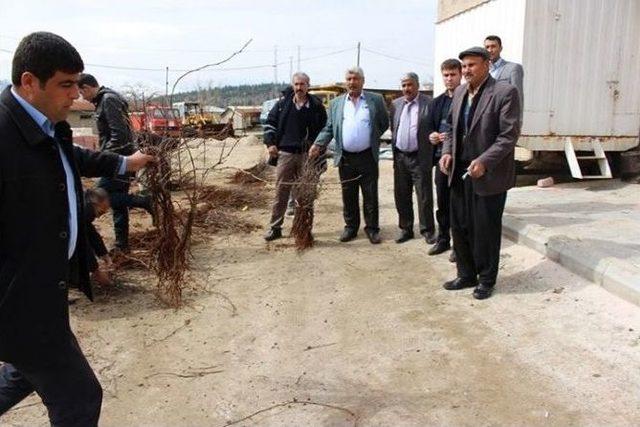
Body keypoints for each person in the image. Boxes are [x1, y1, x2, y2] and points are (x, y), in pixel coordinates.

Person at [0, 31, 155, 425]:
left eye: (76, 83)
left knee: (25, 371)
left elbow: (71, 157)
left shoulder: (45, 124)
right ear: (29, 82)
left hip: (44, 290)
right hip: (20, 299)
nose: (76, 95)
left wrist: (123, 165)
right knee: (80, 397)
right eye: (65, 85)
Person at [439, 46, 521, 300]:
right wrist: (447, 151)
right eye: (463, 66)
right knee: (460, 225)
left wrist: (485, 160)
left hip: (488, 172)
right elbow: (451, 127)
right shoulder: (461, 91)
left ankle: (486, 279)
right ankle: (466, 274)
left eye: (471, 65)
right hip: (459, 171)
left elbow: (508, 136)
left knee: (484, 228)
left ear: (486, 64)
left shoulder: (505, 92)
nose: (466, 71)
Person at [310, 67, 389, 244]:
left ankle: (372, 229)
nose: (352, 82)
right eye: (349, 79)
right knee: (349, 194)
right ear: (345, 81)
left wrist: (369, 137)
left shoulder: (375, 100)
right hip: (346, 158)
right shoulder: (337, 103)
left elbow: (383, 123)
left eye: (356, 79)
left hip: (368, 157)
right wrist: (318, 143)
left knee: (370, 195)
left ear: (363, 81)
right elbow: (330, 127)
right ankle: (351, 227)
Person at [78, 73, 154, 252]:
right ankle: (122, 244)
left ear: (87, 88)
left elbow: (119, 135)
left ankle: (144, 201)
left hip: (119, 160)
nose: (81, 97)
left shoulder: (108, 100)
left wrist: (104, 159)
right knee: (117, 203)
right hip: (120, 159)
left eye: (81, 93)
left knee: (99, 197)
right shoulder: (104, 100)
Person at [262, 72, 327, 241]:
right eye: (296, 84)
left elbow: (326, 129)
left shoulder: (317, 106)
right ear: (293, 85)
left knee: (306, 194)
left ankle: (304, 229)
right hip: (286, 155)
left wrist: (319, 146)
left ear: (308, 86)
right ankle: (275, 227)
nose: (299, 87)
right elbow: (269, 124)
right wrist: (270, 144)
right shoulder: (282, 105)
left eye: (303, 84)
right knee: (281, 192)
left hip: (308, 156)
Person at [389, 72, 435, 244]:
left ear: (417, 85)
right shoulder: (395, 104)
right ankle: (406, 228)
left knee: (424, 195)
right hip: (400, 157)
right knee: (401, 194)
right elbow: (393, 127)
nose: (406, 89)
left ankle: (428, 230)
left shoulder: (429, 104)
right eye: (403, 85)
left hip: (419, 157)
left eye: (409, 85)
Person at [426, 59, 463, 259]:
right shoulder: (436, 103)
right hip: (441, 162)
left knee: (459, 205)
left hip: (461, 161)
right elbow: (429, 129)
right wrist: (432, 136)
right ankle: (443, 239)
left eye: (453, 74)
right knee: (442, 203)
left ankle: (459, 246)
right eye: (446, 75)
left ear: (460, 75)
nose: (449, 79)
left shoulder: (467, 99)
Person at [484, 35, 524, 122]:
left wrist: (518, 122)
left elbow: (518, 97)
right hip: (485, 121)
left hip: (504, 119)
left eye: (493, 46)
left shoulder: (513, 68)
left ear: (500, 48)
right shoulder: (483, 70)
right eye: (487, 47)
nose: (490, 50)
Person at [84, 188, 113, 286]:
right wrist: (96, 272)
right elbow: (82, 244)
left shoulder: (84, 209)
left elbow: (91, 232)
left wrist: (104, 254)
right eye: (100, 212)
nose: (99, 217)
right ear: (94, 204)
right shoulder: (85, 210)